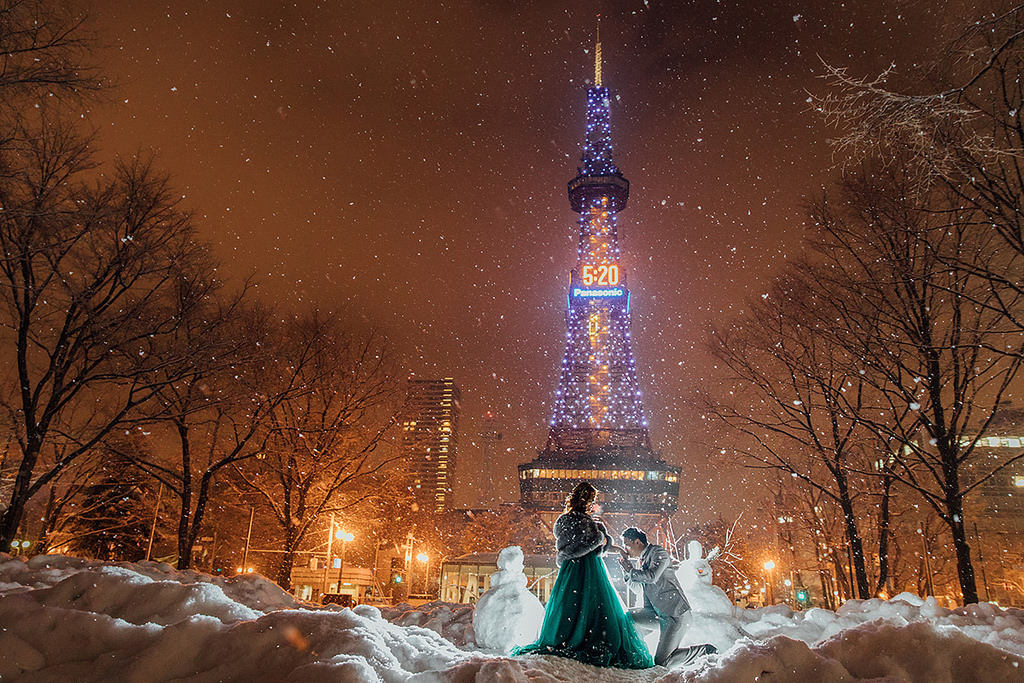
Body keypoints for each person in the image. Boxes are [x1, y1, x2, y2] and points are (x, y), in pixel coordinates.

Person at [512, 482, 654, 669]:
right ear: (586, 500)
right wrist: (601, 536)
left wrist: (606, 541)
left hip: (570, 568)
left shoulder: (563, 521)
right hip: (589, 567)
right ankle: (589, 637)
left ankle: (566, 636)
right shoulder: (587, 522)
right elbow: (594, 543)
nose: (592, 503)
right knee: (594, 604)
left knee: (570, 603)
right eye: (591, 500)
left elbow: (571, 546)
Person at [618, 527, 717, 668]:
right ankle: (633, 654)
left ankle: (705, 651)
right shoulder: (642, 561)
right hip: (657, 614)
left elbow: (652, 577)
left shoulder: (659, 553)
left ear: (638, 542)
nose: (625, 549)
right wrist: (627, 573)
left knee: (662, 661)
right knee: (627, 617)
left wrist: (632, 571)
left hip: (675, 615)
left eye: (627, 544)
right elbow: (639, 589)